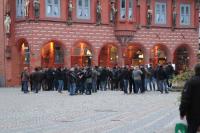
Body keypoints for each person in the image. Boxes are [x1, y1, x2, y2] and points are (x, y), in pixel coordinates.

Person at [179, 63, 200, 133]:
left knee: (191, 130)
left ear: (195, 71)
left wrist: (182, 112)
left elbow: (185, 99)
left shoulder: (190, 82)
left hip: (193, 114)